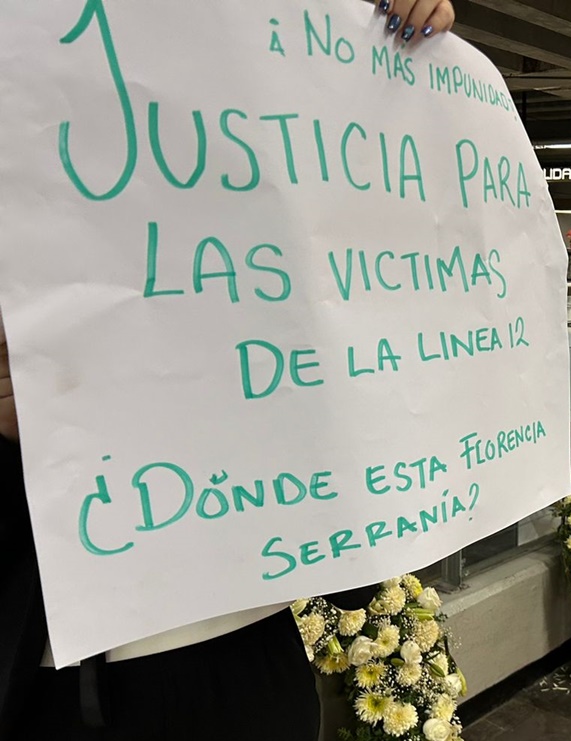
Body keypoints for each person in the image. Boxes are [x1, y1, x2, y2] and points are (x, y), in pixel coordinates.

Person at [2, 2, 458, 739]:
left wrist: (391, 49)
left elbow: (355, 541)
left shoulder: (266, 272)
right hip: (55, 678)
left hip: (248, 657)